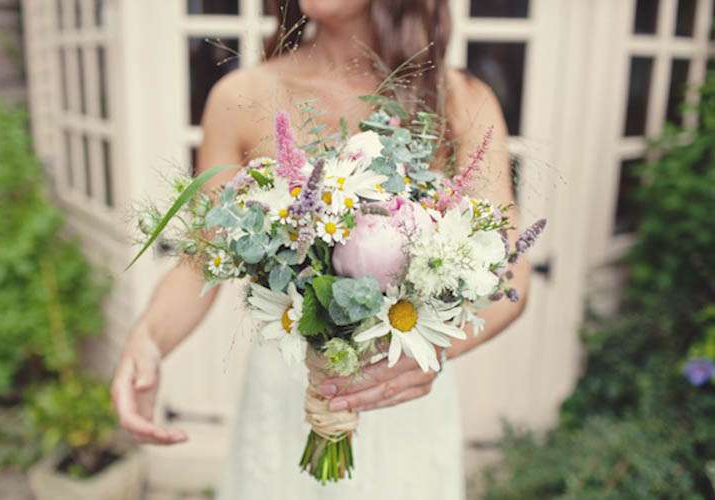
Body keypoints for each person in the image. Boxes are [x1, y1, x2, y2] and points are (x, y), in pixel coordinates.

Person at [111, 0, 531, 498]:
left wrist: (434, 351)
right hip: (288, 393)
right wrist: (148, 339)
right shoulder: (241, 96)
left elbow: (510, 274)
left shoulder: (459, 100)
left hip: (402, 393)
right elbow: (202, 259)